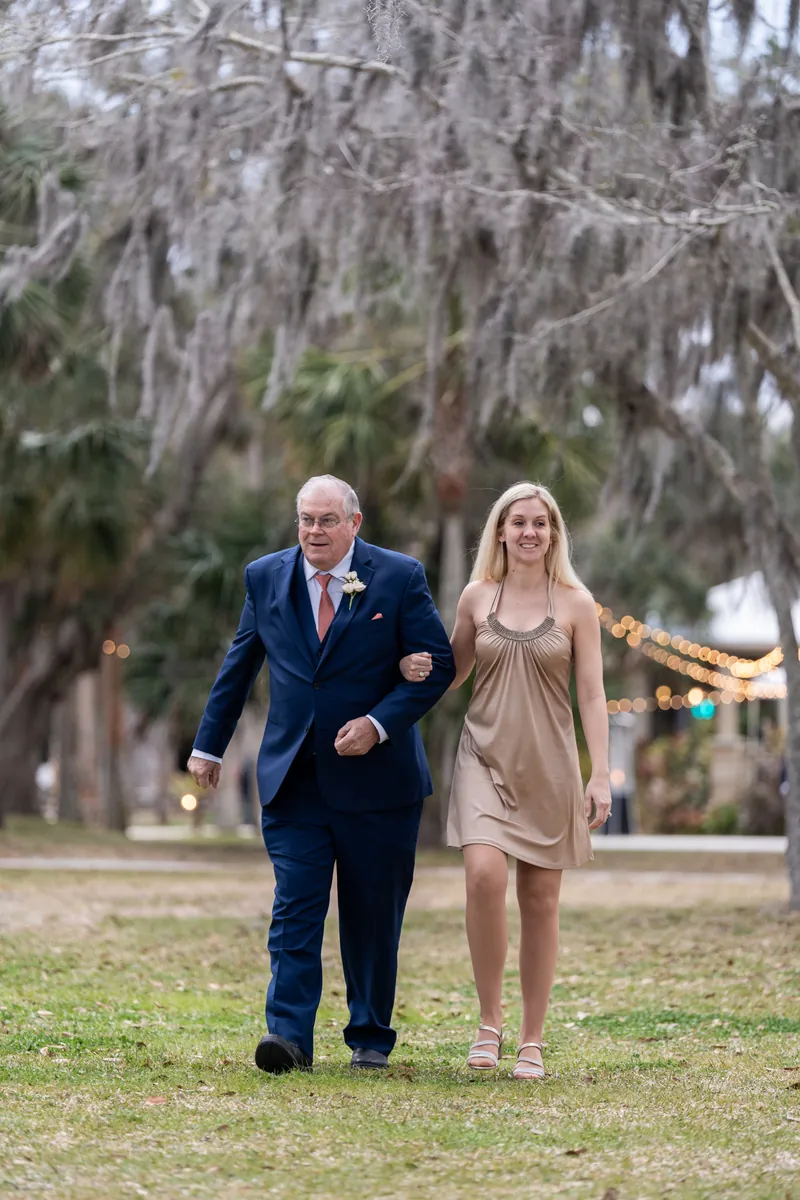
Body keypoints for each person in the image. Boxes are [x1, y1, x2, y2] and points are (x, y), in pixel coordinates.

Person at [188, 475, 455, 1074]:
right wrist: (208, 745)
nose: (315, 531)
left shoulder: (398, 576)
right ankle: (288, 1038)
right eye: (306, 519)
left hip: (379, 783)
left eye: (328, 520)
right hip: (294, 778)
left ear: (355, 524)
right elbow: (239, 665)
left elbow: (437, 665)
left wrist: (379, 723)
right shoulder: (264, 576)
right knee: (295, 908)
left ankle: (369, 1039)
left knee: (371, 913)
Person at [400, 482, 609, 1081]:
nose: (528, 533)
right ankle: (488, 1021)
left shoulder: (575, 603)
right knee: (484, 876)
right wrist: (413, 668)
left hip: (550, 766)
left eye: (540, 524)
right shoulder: (475, 597)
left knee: (541, 901)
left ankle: (532, 1039)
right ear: (499, 530)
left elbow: (592, 694)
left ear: (553, 533)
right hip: (483, 758)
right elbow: (453, 671)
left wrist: (600, 776)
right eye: (518, 522)